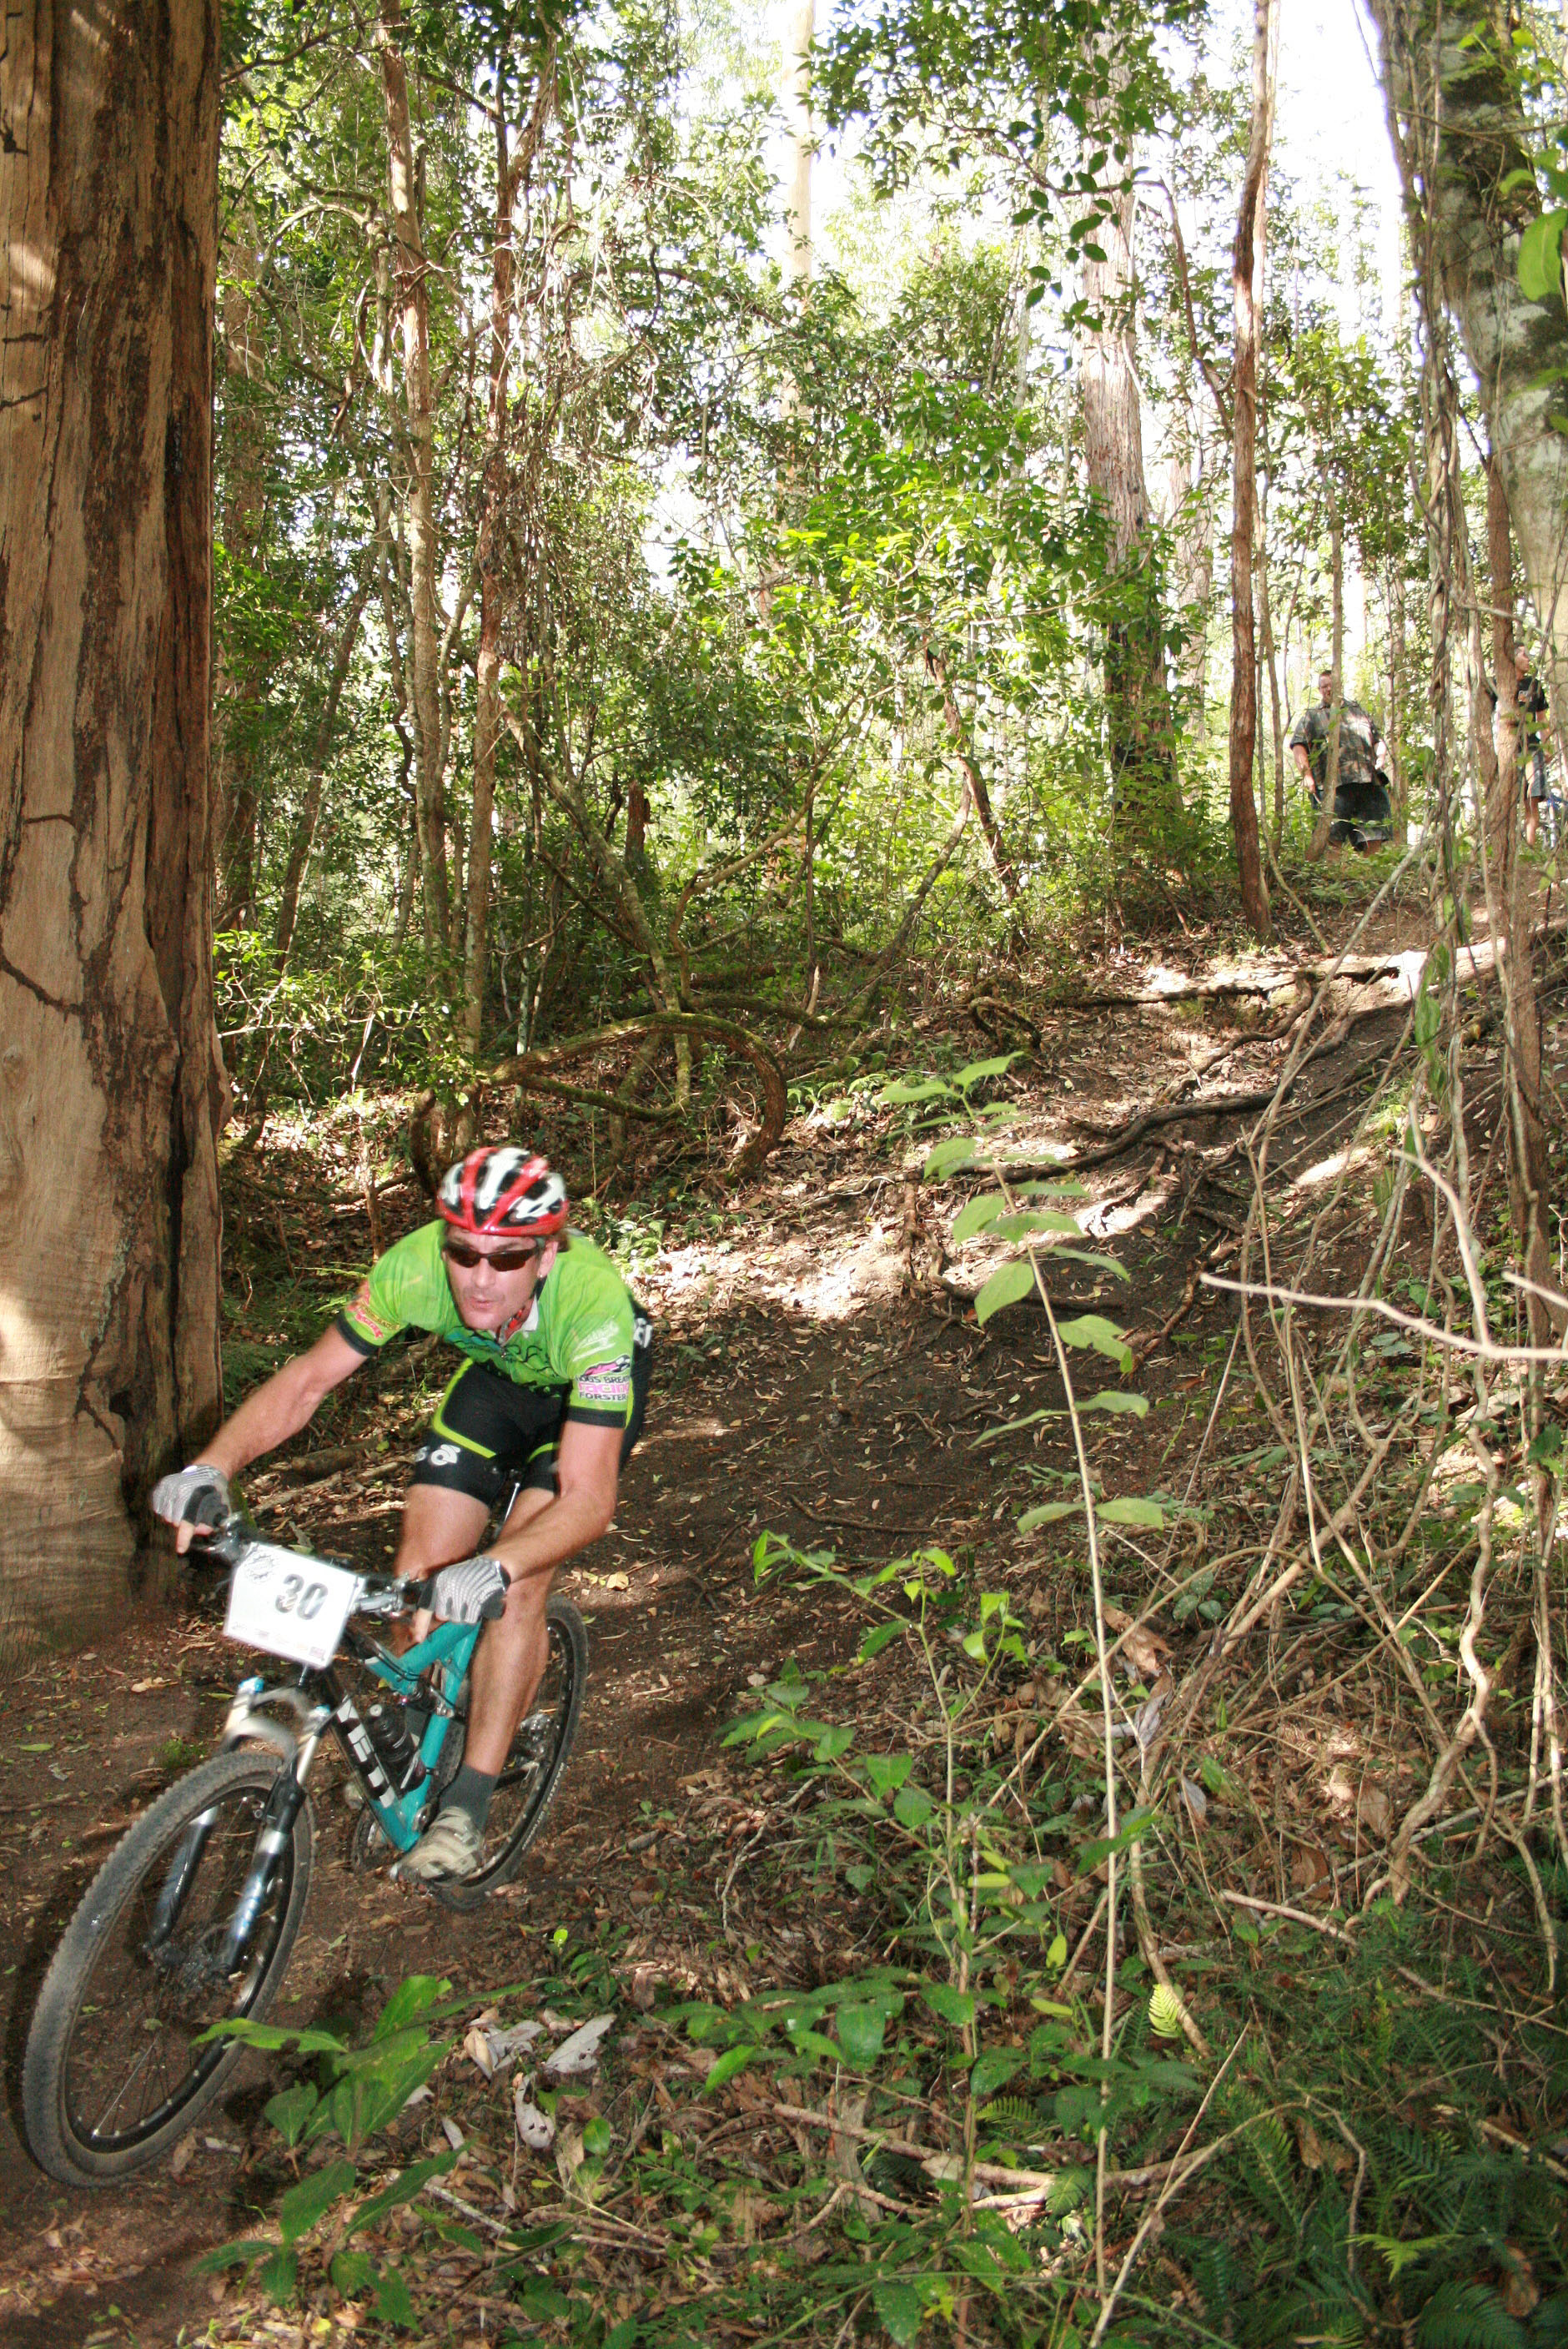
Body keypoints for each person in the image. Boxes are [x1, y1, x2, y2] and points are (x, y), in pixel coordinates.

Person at [153, 1144, 652, 1883]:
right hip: (493, 1385)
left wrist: (503, 1560)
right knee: (417, 1579)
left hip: (579, 1406)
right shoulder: (412, 1270)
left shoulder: (592, 1303)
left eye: (507, 1260)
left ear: (546, 1256)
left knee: (512, 1591)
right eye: (465, 1253)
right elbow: (308, 1383)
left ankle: (468, 1807)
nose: (480, 1278)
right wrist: (211, 1467)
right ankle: (413, 1740)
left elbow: (588, 1498)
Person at [1289, 663, 1393, 852]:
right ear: (1320, 690)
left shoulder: (1358, 710)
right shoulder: (1313, 716)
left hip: (1368, 782)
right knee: (1331, 838)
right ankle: (1330, 878)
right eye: (1324, 686)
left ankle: (1370, 876)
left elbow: (1378, 740)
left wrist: (1381, 755)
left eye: (1332, 684)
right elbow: (1298, 746)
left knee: (1374, 834)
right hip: (1334, 786)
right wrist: (1306, 775)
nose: (1329, 689)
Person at [1510, 647, 1553, 847]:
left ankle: (1530, 846)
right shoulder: (1500, 683)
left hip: (1532, 748)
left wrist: (1548, 746)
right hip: (1510, 750)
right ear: (1513, 657)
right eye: (1524, 655)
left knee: (1532, 799)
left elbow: (1542, 719)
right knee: (1514, 800)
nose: (1528, 659)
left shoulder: (1534, 685)